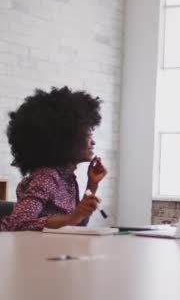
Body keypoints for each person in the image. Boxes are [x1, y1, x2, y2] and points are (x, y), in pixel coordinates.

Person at [0, 87, 107, 231]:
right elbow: (19, 223)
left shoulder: (68, 180)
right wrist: (72, 217)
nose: (93, 142)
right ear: (67, 138)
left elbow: (77, 224)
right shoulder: (46, 176)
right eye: (88, 134)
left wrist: (92, 185)